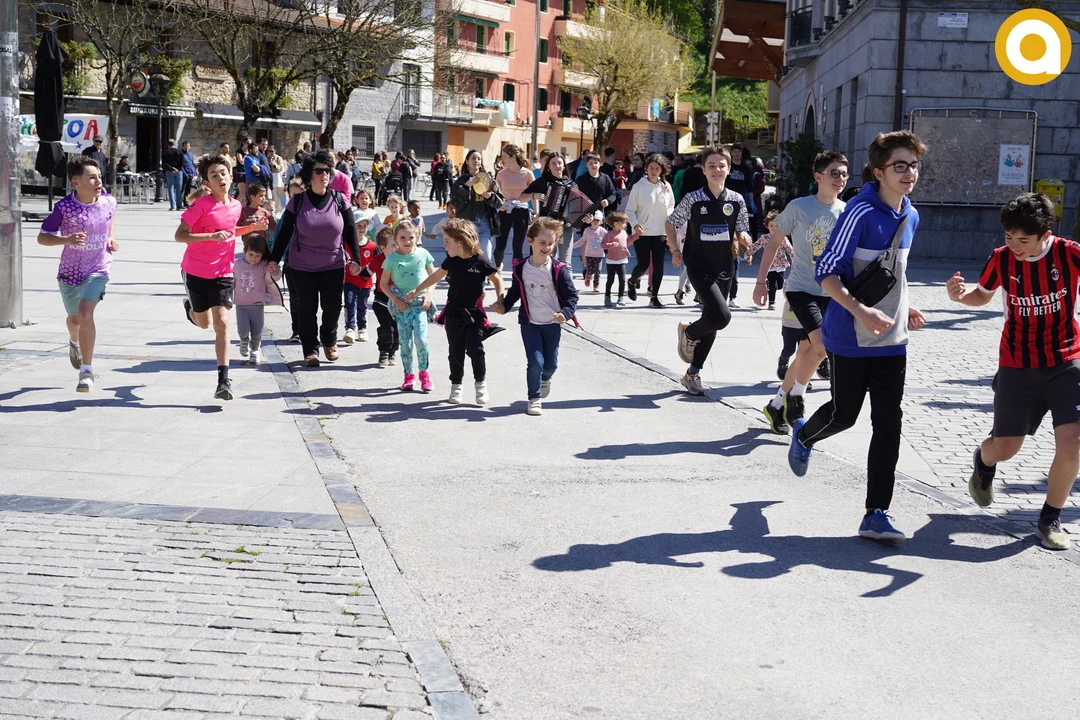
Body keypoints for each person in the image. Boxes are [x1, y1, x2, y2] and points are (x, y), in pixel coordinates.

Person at [786, 131, 928, 544]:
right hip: (849, 335)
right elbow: (826, 272)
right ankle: (804, 434)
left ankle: (875, 513)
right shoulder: (860, 212)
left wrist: (906, 306)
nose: (909, 173)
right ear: (879, 172)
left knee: (888, 423)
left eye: (914, 165)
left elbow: (894, 271)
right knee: (844, 415)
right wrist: (862, 311)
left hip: (892, 340)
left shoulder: (911, 215)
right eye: (899, 166)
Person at [947, 193, 1080, 550]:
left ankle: (1050, 518)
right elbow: (982, 295)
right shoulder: (1001, 258)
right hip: (1018, 362)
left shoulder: (1069, 253)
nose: (1015, 246)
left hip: (1067, 359)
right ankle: (984, 461)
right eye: (1009, 237)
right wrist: (960, 297)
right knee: (1006, 448)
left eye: (1023, 240)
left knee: (1073, 443)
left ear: (1045, 235)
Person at [755, 150, 849, 430]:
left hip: (832, 292)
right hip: (801, 290)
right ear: (818, 176)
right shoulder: (799, 207)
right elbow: (773, 243)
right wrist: (760, 282)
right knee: (821, 346)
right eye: (834, 173)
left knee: (809, 350)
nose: (840, 179)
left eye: (844, 174)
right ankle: (796, 398)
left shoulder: (846, 211)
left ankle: (776, 405)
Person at [175, 153, 269, 400]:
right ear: (207, 183)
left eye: (223, 173)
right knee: (204, 323)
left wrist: (252, 228)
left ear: (230, 176)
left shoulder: (236, 205)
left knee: (222, 322)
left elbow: (229, 231)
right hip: (195, 271)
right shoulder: (200, 205)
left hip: (223, 272)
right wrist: (210, 236)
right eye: (214, 175)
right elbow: (180, 235)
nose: (220, 178)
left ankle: (223, 381)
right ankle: (190, 309)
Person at [666, 146, 752, 396]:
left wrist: (745, 239)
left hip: (725, 267)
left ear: (729, 169)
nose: (717, 170)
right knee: (722, 316)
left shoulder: (736, 199)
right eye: (711, 166)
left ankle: (692, 374)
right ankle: (690, 332)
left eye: (721, 166)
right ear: (703, 170)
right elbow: (670, 222)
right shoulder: (693, 198)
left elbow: (742, 229)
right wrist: (675, 249)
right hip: (698, 265)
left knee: (713, 320)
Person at [267, 149, 362, 368]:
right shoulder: (298, 201)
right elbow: (284, 232)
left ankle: (329, 340)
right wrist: (274, 259)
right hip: (302, 266)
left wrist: (356, 259)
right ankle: (310, 349)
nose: (324, 174)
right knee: (307, 309)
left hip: (333, 264)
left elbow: (350, 230)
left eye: (327, 170)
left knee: (332, 307)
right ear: (310, 174)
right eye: (319, 171)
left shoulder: (340, 200)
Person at [36, 155, 118, 393]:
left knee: (84, 313)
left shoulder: (109, 201)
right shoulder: (64, 208)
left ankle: (86, 371)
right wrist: (66, 240)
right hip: (70, 272)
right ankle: (74, 342)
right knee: (74, 319)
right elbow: (42, 237)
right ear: (75, 182)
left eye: (99, 176)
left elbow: (110, 217)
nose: (98, 181)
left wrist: (111, 237)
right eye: (92, 177)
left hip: (99, 267)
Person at [408, 219, 506, 406]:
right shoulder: (451, 260)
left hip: (474, 313)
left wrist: (500, 300)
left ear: (460, 242)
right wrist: (417, 289)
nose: (444, 245)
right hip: (453, 313)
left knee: (475, 349)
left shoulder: (479, 260)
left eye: (447, 241)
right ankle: (456, 386)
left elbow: (497, 279)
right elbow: (437, 275)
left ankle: (480, 384)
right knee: (455, 352)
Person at [492, 217, 580, 416]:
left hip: (552, 324)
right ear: (530, 241)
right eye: (542, 242)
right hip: (529, 323)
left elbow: (572, 296)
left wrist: (565, 313)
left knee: (550, 366)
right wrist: (503, 306)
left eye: (550, 243)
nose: (547, 247)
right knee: (535, 362)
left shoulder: (558, 270)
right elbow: (515, 292)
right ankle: (534, 398)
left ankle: (545, 379)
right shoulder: (521, 268)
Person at [381, 222, 435, 391]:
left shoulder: (423, 254)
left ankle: (424, 374)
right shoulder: (392, 259)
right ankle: (408, 375)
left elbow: (433, 277)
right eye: (402, 238)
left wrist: (429, 294)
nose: (407, 241)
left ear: (417, 236)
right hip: (402, 306)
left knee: (421, 339)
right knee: (406, 343)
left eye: (411, 237)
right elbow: (383, 284)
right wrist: (395, 300)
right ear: (395, 239)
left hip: (420, 305)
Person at [625, 153, 676, 308]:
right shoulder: (638, 186)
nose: (654, 171)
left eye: (657, 168)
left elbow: (671, 206)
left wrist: (669, 221)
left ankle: (654, 296)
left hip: (660, 232)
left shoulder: (666, 187)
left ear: (662, 170)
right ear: (646, 168)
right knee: (643, 264)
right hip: (643, 232)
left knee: (659, 266)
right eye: (651, 168)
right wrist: (635, 225)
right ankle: (632, 281)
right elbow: (630, 210)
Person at [519, 152, 578, 266]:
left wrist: (586, 218)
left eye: (559, 163)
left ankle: (564, 278)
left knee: (566, 264)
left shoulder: (572, 184)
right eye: (553, 163)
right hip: (547, 228)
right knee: (548, 262)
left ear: (564, 166)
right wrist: (534, 195)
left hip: (566, 227)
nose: (557, 166)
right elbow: (521, 198)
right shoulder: (542, 182)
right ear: (549, 166)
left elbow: (578, 207)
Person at [233, 235, 282, 366]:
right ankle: (244, 341)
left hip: (257, 304)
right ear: (245, 250)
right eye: (251, 254)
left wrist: (276, 270)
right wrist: (226, 296)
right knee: (242, 329)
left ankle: (254, 350)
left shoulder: (264, 265)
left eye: (257, 255)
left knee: (257, 330)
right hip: (241, 304)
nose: (254, 258)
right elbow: (230, 280)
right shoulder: (237, 264)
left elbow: (275, 277)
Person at [451, 149, 503, 264]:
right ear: (467, 161)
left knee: (486, 256)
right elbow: (455, 203)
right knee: (466, 256)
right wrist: (466, 187)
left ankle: (486, 274)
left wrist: (490, 196)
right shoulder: (461, 181)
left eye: (479, 159)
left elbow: (500, 202)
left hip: (485, 223)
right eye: (473, 158)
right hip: (467, 224)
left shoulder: (489, 179)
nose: (476, 161)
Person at [495, 144, 534, 268]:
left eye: (505, 156)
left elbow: (534, 193)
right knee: (500, 245)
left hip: (521, 209)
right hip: (505, 210)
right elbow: (496, 193)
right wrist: (500, 205)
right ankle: (497, 267)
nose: (502, 159)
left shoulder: (527, 173)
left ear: (513, 157)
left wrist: (536, 212)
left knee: (518, 246)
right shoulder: (501, 174)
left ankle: (517, 272)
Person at [747, 210, 791, 311]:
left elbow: (790, 249)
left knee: (779, 285)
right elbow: (756, 246)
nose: (774, 228)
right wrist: (748, 254)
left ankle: (768, 285)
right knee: (773, 285)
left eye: (777, 226)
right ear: (767, 226)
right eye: (771, 226)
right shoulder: (765, 238)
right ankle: (771, 303)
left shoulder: (783, 238)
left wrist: (795, 259)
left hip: (781, 265)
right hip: (769, 266)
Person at [343, 216, 377, 344]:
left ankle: (362, 328)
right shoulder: (346, 243)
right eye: (359, 226)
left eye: (365, 226)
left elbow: (378, 263)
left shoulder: (372, 246)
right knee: (349, 303)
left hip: (365, 282)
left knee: (362, 305)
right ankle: (350, 328)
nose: (362, 228)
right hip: (349, 280)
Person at [370, 227, 400, 367]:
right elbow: (367, 272)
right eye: (393, 245)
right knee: (386, 327)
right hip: (381, 299)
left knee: (397, 327)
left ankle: (392, 352)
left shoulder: (401, 258)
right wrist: (357, 270)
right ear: (383, 248)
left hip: (398, 300)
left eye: (397, 244)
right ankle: (384, 352)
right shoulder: (378, 260)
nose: (396, 247)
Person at [601, 211, 637, 308]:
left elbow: (627, 243)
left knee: (622, 280)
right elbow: (602, 244)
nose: (625, 225)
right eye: (624, 223)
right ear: (616, 224)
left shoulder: (624, 233)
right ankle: (607, 296)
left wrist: (636, 236)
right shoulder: (609, 234)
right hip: (611, 261)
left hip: (621, 260)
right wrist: (611, 245)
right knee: (610, 280)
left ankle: (621, 297)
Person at [573, 210, 606, 292]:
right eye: (594, 220)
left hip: (599, 255)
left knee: (597, 271)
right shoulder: (587, 230)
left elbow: (608, 239)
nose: (595, 222)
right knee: (590, 269)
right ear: (590, 221)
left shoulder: (602, 231)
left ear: (601, 222)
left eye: (597, 220)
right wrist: (573, 245)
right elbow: (582, 240)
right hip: (589, 254)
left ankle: (596, 285)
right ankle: (588, 277)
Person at [239, 184, 277, 249]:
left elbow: (276, 228)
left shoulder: (265, 212)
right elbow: (236, 227)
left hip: (262, 246)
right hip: (248, 246)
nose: (264, 198)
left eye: (264, 196)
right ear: (252, 197)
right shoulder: (243, 211)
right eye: (261, 196)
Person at [162, 138, 185, 211]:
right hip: (179, 171)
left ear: (168, 145)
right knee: (179, 188)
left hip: (169, 171)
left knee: (171, 188)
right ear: (174, 144)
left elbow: (164, 163)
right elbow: (182, 162)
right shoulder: (179, 152)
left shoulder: (165, 152)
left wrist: (171, 168)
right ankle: (179, 205)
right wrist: (177, 169)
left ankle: (173, 206)